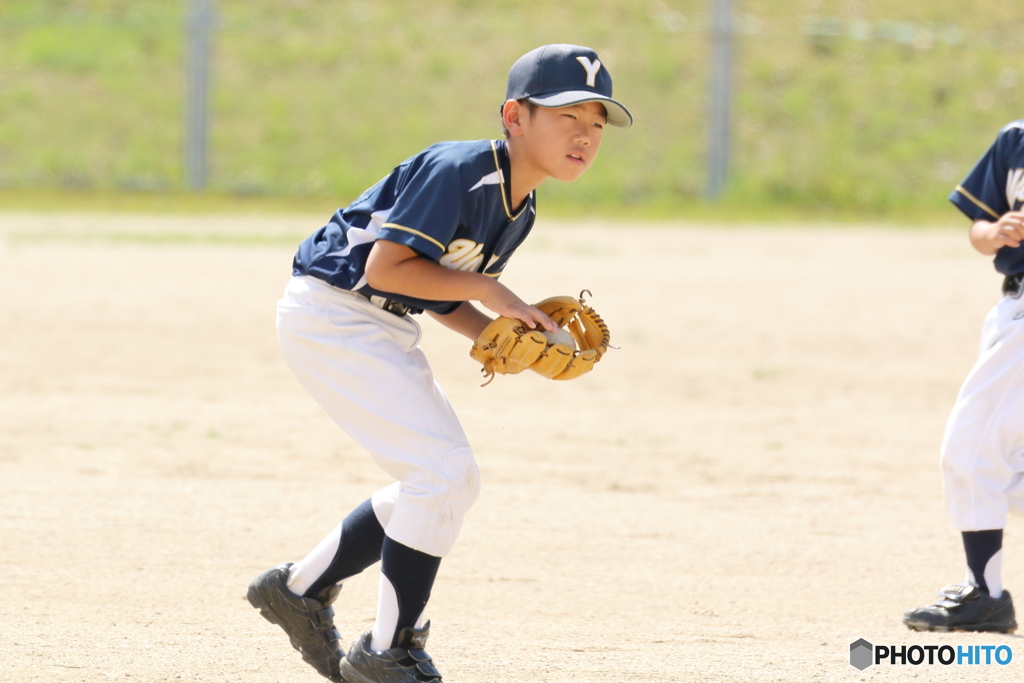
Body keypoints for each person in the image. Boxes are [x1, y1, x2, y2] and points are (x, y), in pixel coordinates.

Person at [245, 44, 632, 682]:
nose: (585, 135)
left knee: (450, 479)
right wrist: (493, 295)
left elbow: (435, 291)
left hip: (379, 324)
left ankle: (299, 590)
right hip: (333, 313)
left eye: (597, 123)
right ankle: (387, 650)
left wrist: (506, 339)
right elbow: (386, 268)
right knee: (440, 473)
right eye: (567, 115)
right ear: (515, 115)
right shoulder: (460, 168)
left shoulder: (521, 207)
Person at [903, 120, 1024, 634]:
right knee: (1008, 465)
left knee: (970, 447)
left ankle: (986, 593)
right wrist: (995, 233)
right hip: (1011, 307)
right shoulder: (1015, 140)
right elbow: (980, 230)